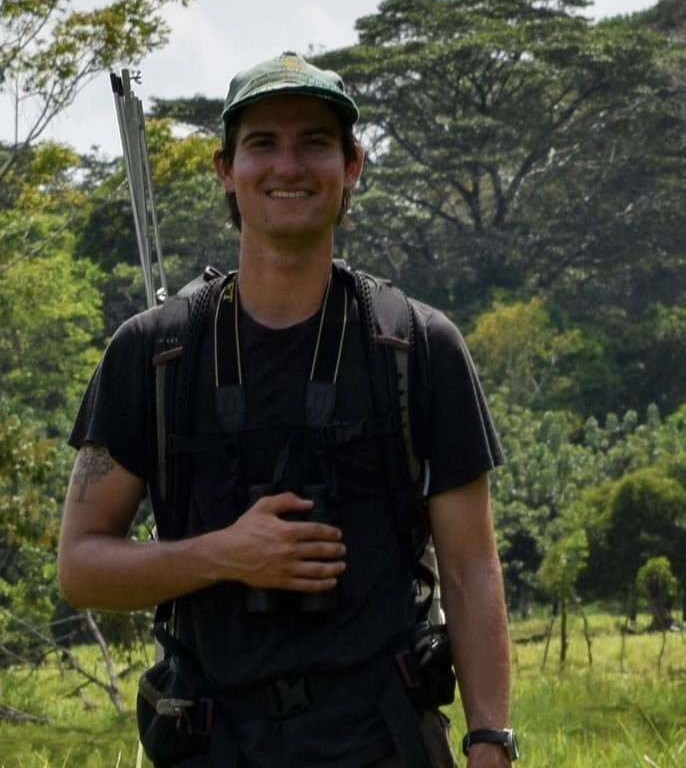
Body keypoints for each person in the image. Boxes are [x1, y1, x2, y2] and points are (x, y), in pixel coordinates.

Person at [57, 51, 515, 767]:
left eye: (315, 143)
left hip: (385, 739)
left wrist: (490, 740)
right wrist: (223, 553)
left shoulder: (417, 345)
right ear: (225, 171)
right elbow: (81, 565)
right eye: (262, 144)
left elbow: (472, 568)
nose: (289, 166)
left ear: (352, 165)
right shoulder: (152, 353)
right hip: (212, 741)